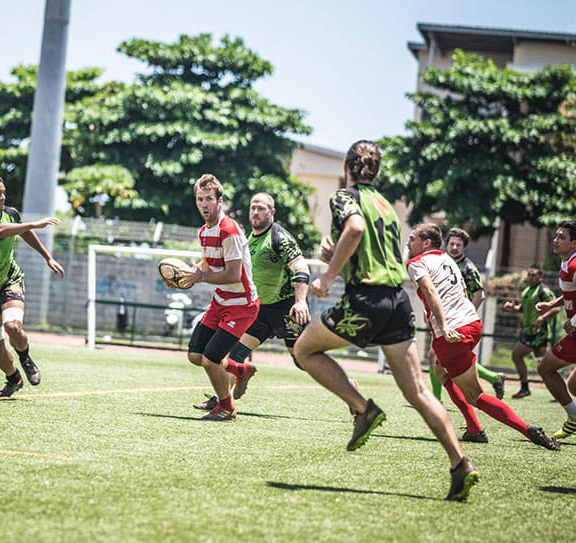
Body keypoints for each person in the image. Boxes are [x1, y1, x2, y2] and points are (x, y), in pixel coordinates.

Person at [294, 140, 478, 501]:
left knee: (304, 350)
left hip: (367, 299)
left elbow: (357, 230)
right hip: (397, 300)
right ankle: (460, 463)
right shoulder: (387, 206)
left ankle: (363, 409)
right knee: (419, 392)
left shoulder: (346, 196)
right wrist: (339, 258)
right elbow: (373, 251)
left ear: (347, 166)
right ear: (378, 170)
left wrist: (328, 275)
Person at [405, 224, 559, 450]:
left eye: (412, 239)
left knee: (475, 396)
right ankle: (474, 429)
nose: (408, 243)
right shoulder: (448, 260)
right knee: (438, 369)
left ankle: (527, 430)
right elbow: (465, 293)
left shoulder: (416, 262)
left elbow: (430, 292)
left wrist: (445, 326)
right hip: (472, 323)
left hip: (452, 334)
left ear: (426, 243)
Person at [192, 192, 310, 411]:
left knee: (303, 360)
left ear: (272, 212)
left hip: (286, 310)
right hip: (260, 310)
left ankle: (348, 385)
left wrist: (301, 301)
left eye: (261, 208)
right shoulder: (248, 239)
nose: (256, 212)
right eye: (253, 208)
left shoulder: (279, 237)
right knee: (235, 353)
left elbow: (301, 267)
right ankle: (222, 400)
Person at [0, 174, 65, 398]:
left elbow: (23, 231)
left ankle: (26, 358)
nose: (3, 197)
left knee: (12, 327)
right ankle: (13, 378)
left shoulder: (11, 214)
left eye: (4, 192)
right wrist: (33, 224)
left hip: (10, 279)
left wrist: (47, 256)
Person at [178, 174, 259, 421]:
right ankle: (240, 370)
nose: (204, 204)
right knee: (195, 355)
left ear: (219, 201)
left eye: (209, 199)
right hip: (220, 302)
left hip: (242, 306)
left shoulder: (229, 230)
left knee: (210, 359)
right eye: (200, 199)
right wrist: (189, 274)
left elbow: (234, 274)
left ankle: (226, 407)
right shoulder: (204, 232)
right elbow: (208, 266)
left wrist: (201, 278)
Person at [427, 227, 506, 400]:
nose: (454, 247)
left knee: (436, 356)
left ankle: (436, 399)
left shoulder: (468, 268)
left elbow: (480, 295)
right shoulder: (443, 262)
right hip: (444, 320)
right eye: (452, 243)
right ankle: (494, 378)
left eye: (458, 244)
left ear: (464, 247)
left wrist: (464, 316)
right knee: (450, 359)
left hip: (458, 322)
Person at [534, 220, 576, 439]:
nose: (555, 240)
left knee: (546, 369)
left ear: (573, 243)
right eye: (555, 236)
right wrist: (551, 305)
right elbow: (573, 293)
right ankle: (575, 418)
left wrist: (575, 319)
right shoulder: (568, 262)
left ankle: (575, 419)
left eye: (561, 238)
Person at [501, 265, 556, 398]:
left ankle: (525, 388)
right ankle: (558, 392)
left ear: (540, 277)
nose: (530, 277)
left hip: (537, 332)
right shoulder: (527, 290)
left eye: (533, 275)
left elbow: (555, 308)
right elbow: (524, 308)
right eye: (529, 274)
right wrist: (513, 308)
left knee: (517, 355)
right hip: (529, 331)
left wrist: (542, 318)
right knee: (544, 365)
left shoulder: (544, 291)